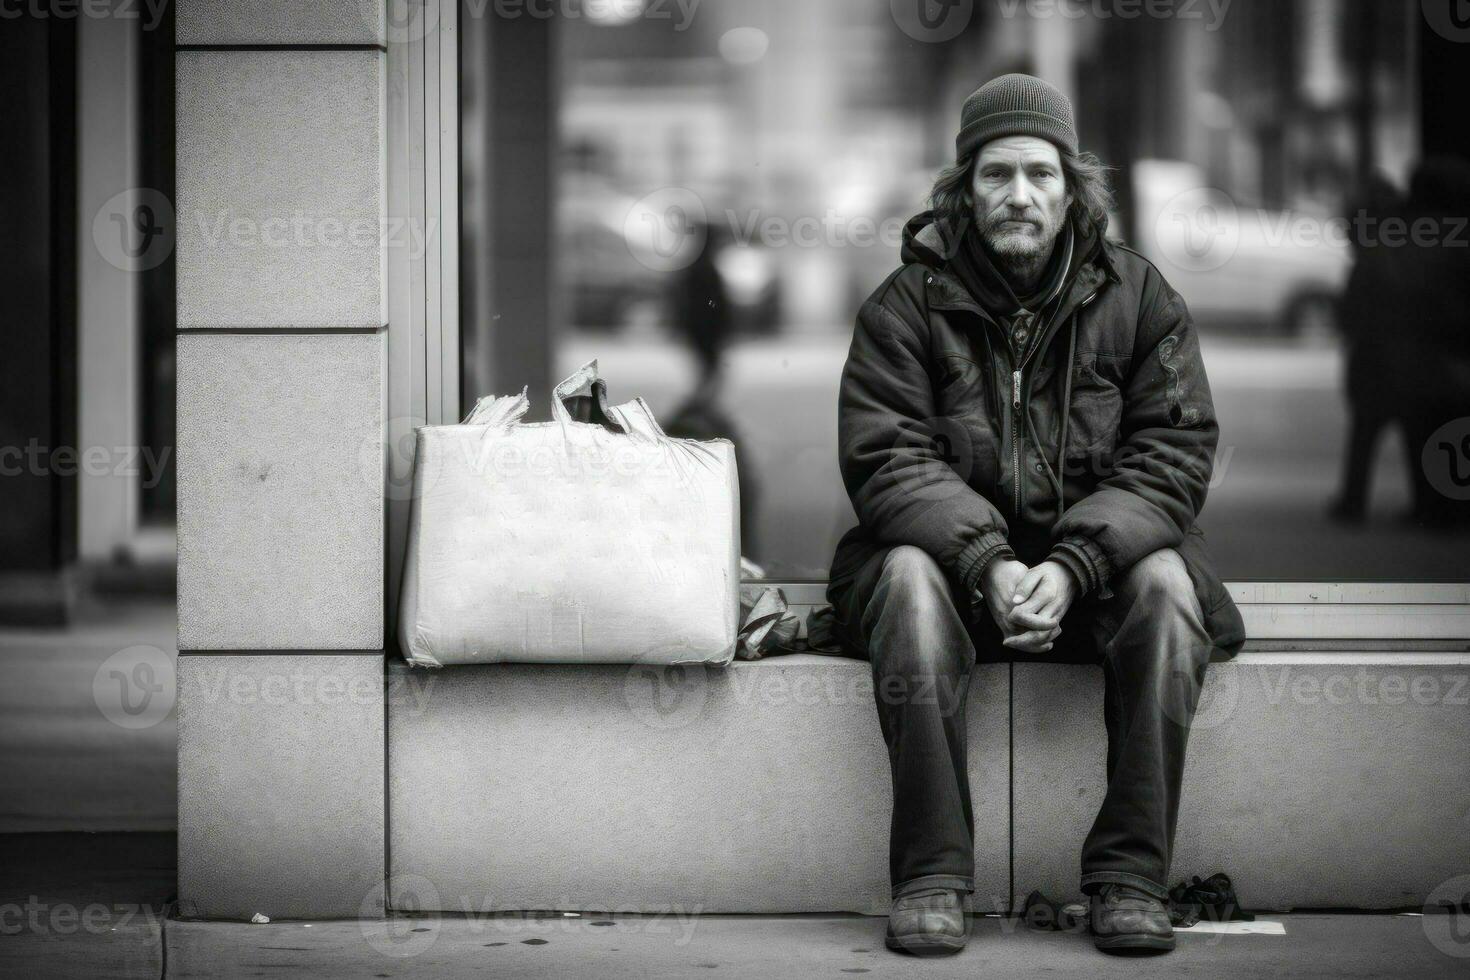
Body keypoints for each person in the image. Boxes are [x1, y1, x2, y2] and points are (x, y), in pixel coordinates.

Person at [825, 74, 1244, 957]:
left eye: (1041, 175)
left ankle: (1131, 877)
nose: (1019, 195)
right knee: (901, 573)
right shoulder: (904, 308)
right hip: (957, 588)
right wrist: (987, 561)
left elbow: (1173, 454)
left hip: (1087, 585)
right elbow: (887, 460)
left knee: (1168, 586)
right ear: (964, 190)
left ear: (1071, 188)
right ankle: (932, 876)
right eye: (996, 174)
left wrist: (1073, 566)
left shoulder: (1141, 300)